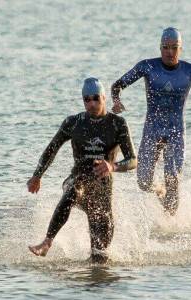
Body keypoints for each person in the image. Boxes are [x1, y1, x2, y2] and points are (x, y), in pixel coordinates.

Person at [111, 27, 191, 215]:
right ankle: (158, 190)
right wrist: (116, 100)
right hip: (152, 130)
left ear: (181, 49)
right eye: (165, 47)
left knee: (173, 180)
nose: (170, 52)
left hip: (175, 132)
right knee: (144, 182)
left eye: (174, 47)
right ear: (160, 47)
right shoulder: (147, 66)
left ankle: (170, 224)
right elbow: (117, 85)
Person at [27, 77, 137, 263]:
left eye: (96, 98)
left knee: (99, 260)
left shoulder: (118, 124)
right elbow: (51, 149)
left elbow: (133, 160)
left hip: (102, 190)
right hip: (78, 178)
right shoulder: (73, 122)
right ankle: (47, 242)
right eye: (87, 99)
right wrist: (37, 175)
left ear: (104, 98)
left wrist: (113, 166)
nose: (92, 103)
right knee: (73, 190)